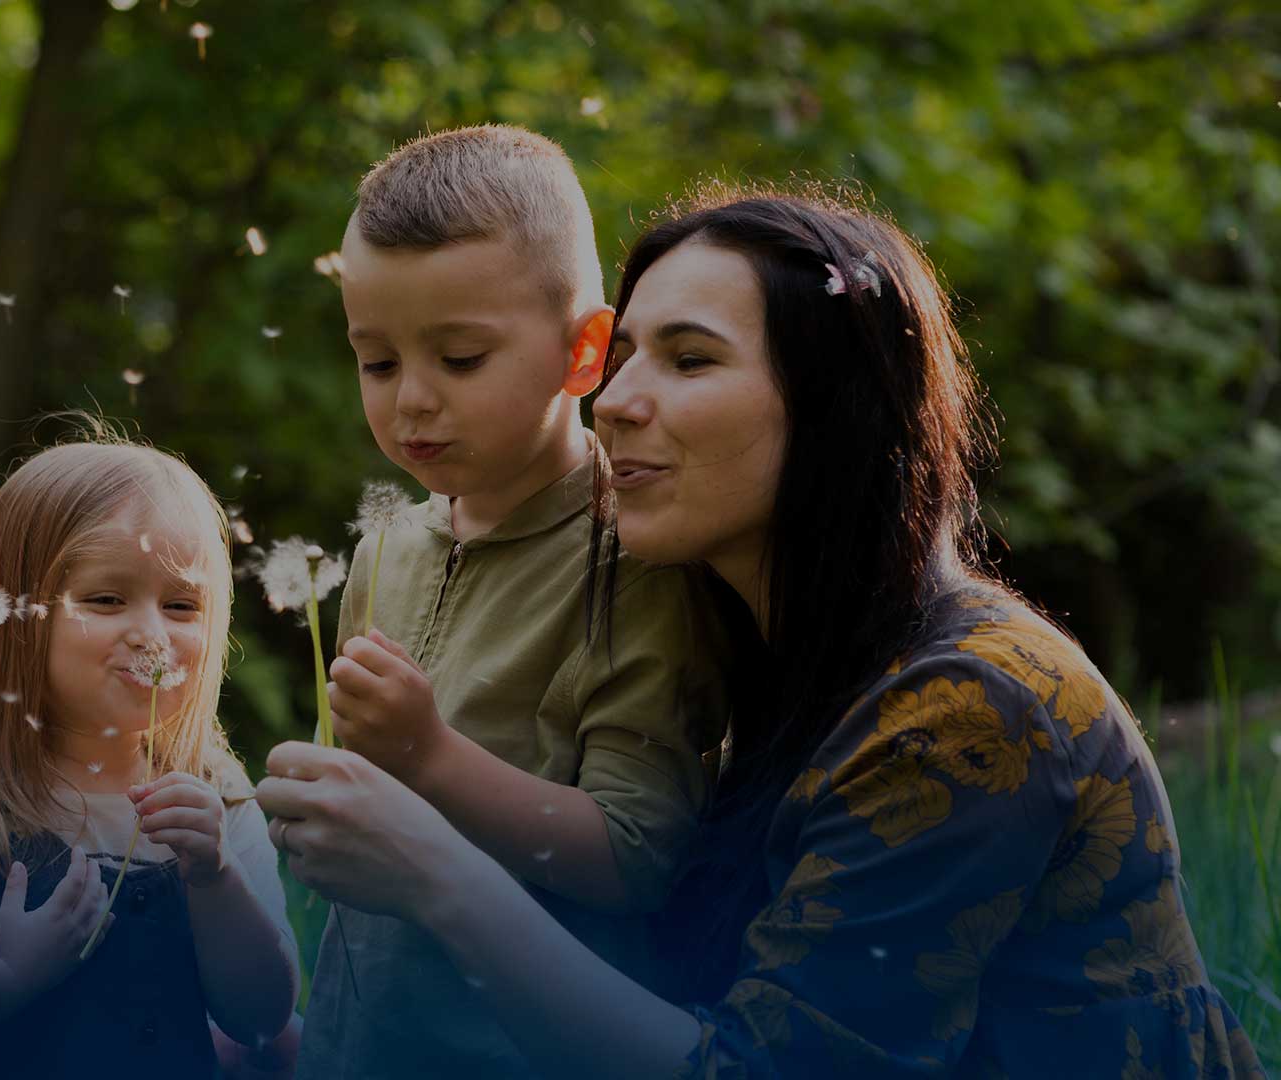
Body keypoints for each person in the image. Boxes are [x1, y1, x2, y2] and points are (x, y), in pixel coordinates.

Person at [258, 190, 1266, 1078]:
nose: (614, 402)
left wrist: (437, 875)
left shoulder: (970, 707)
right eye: (623, 359)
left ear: (834, 410)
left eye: (689, 359)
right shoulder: (743, 654)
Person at [301, 124, 728, 1077]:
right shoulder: (383, 551)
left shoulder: (636, 562)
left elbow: (635, 855)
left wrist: (430, 757)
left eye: (459, 360)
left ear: (584, 354)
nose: (411, 401)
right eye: (377, 362)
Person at [0, 436, 298, 1078]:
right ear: (5, 613)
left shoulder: (213, 790)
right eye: (106, 599)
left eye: (183, 605)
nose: (153, 634)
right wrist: (4, 980)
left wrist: (214, 877)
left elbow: (263, 1015)